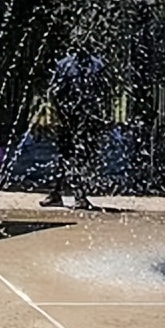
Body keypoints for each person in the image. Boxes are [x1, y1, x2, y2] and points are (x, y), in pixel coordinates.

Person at [40, 47, 109, 210]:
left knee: (84, 157)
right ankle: (57, 192)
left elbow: (103, 93)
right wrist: (58, 114)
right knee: (64, 156)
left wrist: (100, 117)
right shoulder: (65, 64)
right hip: (68, 117)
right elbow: (55, 91)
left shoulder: (97, 65)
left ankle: (79, 194)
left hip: (88, 118)